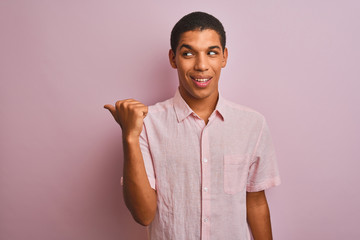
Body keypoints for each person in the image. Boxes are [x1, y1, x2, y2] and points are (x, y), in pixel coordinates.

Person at [104, 11, 281, 240]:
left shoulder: (252, 124)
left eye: (211, 53)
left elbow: (256, 204)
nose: (201, 65)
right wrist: (129, 136)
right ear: (173, 58)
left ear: (224, 57)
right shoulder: (147, 124)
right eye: (188, 53)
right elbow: (143, 215)